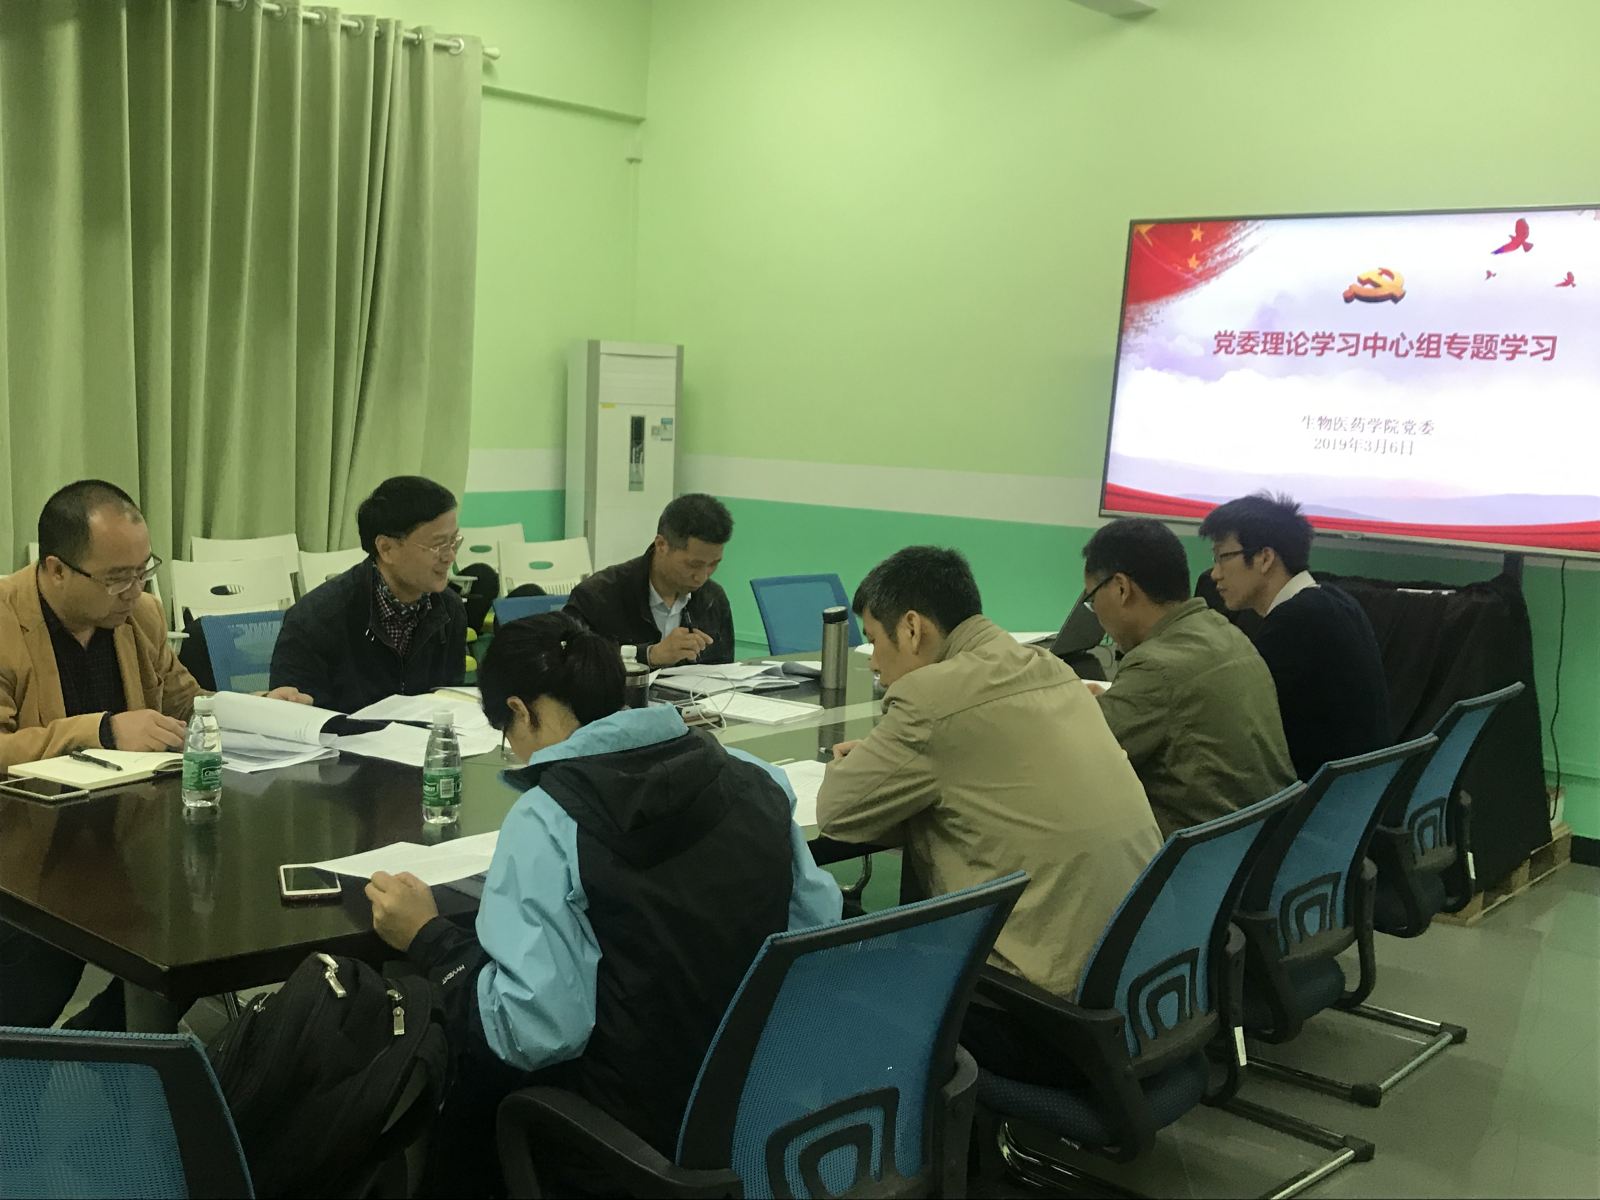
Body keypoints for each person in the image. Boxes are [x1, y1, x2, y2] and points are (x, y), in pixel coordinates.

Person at [364, 613, 840, 1195]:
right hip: (764, 1110)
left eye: (507, 734)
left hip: (628, 1143)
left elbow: (538, 1029)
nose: (515, 751)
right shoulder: (758, 778)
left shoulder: (548, 820)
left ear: (521, 710)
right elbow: (815, 930)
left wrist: (432, 939)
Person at [815, 546, 1162, 1047]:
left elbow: (837, 813)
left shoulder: (932, 698)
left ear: (911, 629)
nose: (874, 663)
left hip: (1038, 1013)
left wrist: (861, 761)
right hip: (1143, 984)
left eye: (872, 641)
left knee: (834, 963)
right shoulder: (1051, 669)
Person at [0, 479, 307, 1030]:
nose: (134, 589)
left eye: (143, 570)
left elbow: (185, 704)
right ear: (56, 569)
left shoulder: (139, 616)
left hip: (129, 831)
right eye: (117, 577)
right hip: (27, 847)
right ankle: (29, 1059)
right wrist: (103, 730)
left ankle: (105, 1051)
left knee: (201, 929)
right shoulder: (5, 621)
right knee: (38, 971)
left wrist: (261, 707)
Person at [1083, 518, 1295, 837]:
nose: (1096, 611)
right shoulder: (1223, 631)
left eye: (1092, 598)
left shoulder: (1154, 667)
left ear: (1121, 588)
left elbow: (1078, 753)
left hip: (1209, 852)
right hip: (1267, 838)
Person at [1199, 493, 1393, 781]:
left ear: (1265, 558)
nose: (1215, 574)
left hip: (1317, 797)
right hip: (1360, 792)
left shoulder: (1295, 622)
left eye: (1222, 557)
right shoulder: (1334, 600)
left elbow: (1239, 720)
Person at [270, 476, 468, 712]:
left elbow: (449, 702)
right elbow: (289, 715)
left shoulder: (449, 609)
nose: (450, 556)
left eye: (454, 541)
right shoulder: (314, 618)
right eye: (438, 545)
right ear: (386, 548)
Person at [564, 493, 735, 667]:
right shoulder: (597, 596)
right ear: (661, 545)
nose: (702, 577)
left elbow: (724, 671)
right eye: (693, 564)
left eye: (713, 564)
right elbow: (567, 663)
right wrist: (648, 656)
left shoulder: (713, 599)